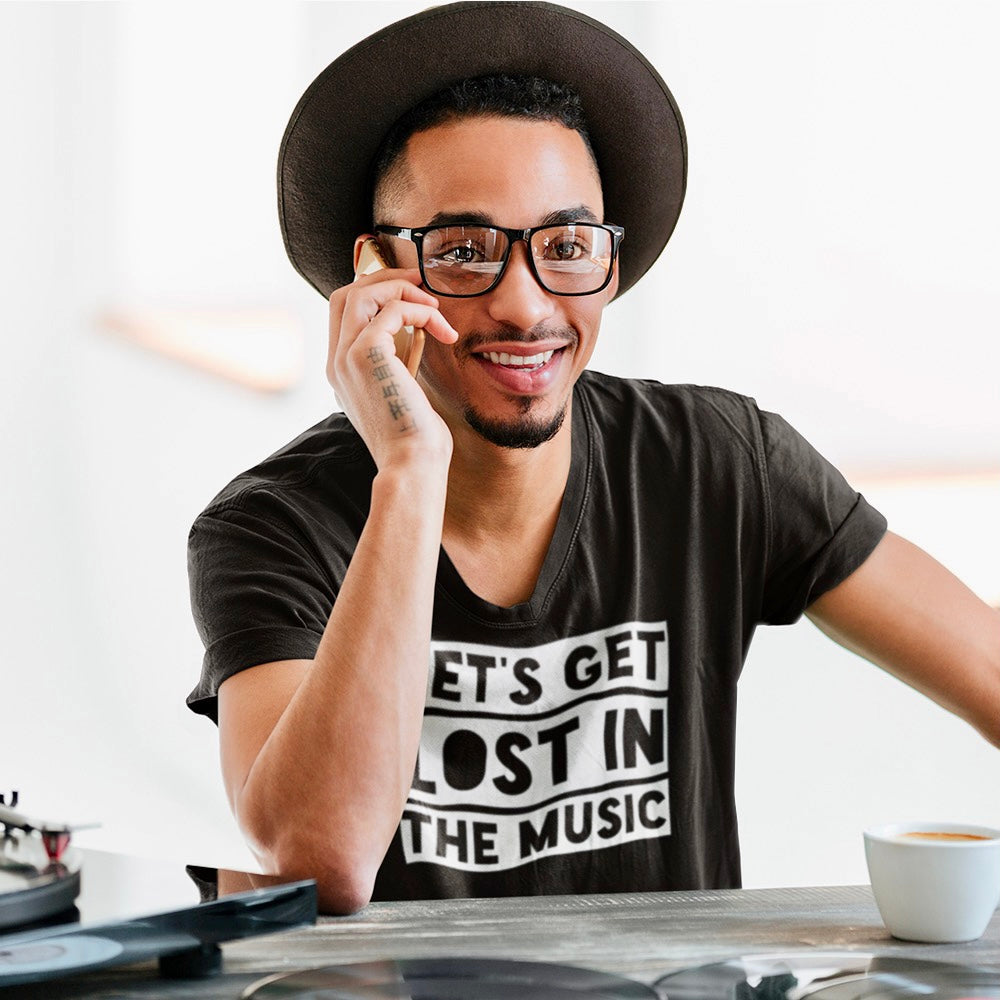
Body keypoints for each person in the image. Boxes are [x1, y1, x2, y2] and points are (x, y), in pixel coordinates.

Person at [186, 2, 1000, 914]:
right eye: (464, 252)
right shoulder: (270, 526)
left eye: (567, 247)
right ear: (378, 272)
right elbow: (321, 859)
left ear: (609, 262)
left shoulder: (716, 462)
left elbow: (992, 669)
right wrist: (409, 472)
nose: (525, 306)